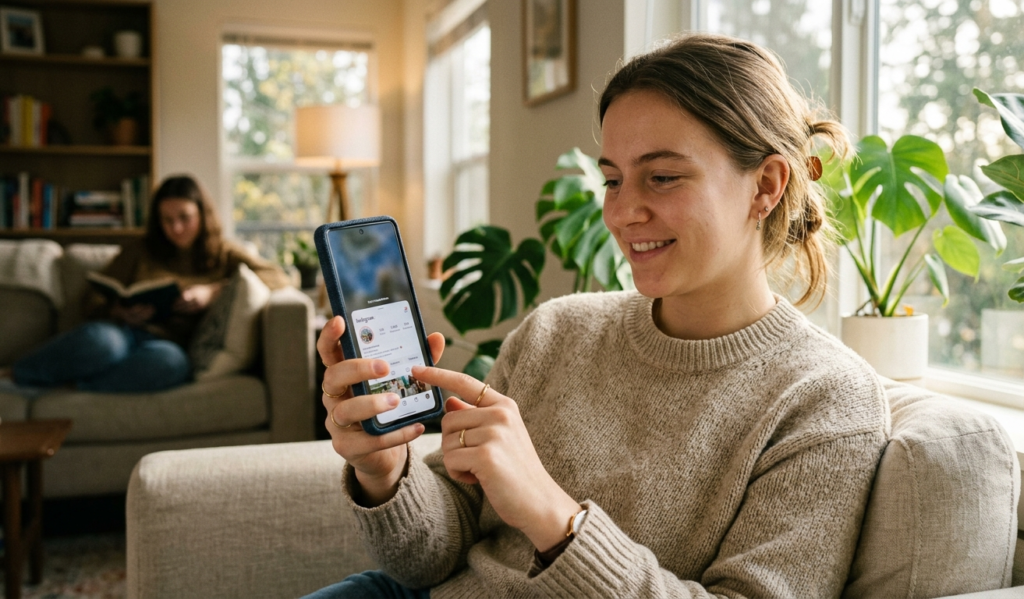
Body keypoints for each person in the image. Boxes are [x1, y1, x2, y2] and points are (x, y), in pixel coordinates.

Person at [310, 33, 889, 599]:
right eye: (613, 180)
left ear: (766, 185)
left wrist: (551, 514)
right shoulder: (554, 332)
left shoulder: (827, 400)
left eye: (662, 177)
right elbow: (429, 562)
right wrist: (385, 472)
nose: (623, 212)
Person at [8, 175, 289, 393]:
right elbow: (92, 296)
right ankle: (16, 375)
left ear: (202, 215)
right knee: (102, 343)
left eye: (184, 218)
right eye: (167, 220)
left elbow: (278, 277)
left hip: (167, 345)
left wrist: (213, 292)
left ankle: (75, 387)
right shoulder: (140, 250)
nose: (176, 228)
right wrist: (118, 311)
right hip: (122, 332)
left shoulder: (224, 253)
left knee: (170, 365)